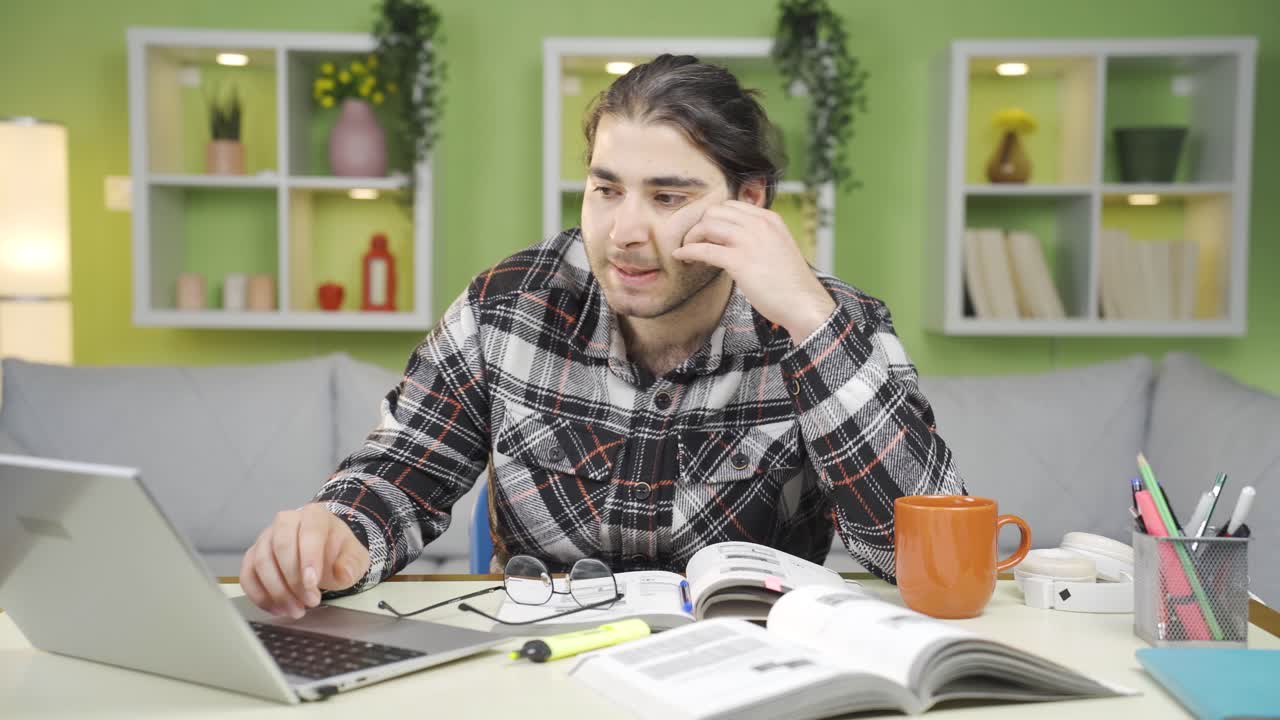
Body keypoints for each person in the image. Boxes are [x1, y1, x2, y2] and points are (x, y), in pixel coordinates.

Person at [241, 54, 964, 619]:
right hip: (542, 671)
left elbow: (923, 560)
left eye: (668, 197)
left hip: (749, 678)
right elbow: (399, 473)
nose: (623, 232)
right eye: (606, 189)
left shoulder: (834, 321)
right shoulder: (508, 307)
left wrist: (810, 322)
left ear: (749, 201)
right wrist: (337, 535)